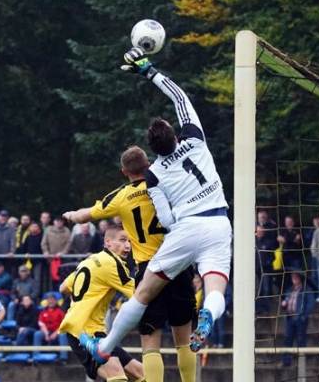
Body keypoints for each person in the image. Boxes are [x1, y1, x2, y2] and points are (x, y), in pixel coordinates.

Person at [78, 47, 232, 363]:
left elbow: (164, 217)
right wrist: (149, 70)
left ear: (152, 150)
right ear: (175, 134)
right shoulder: (195, 139)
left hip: (186, 228)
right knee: (216, 288)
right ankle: (207, 318)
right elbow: (180, 98)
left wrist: (180, 232)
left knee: (143, 294)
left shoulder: (154, 173)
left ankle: (105, 348)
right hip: (219, 223)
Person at [63, 145, 197, 382]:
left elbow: (85, 215)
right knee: (184, 341)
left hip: (150, 271)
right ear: (148, 165)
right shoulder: (167, 184)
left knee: (150, 342)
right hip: (180, 263)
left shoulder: (121, 196)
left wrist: (71, 215)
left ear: (125, 172)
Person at [58, 224, 145, 382]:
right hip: (85, 334)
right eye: (122, 240)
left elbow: (63, 288)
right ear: (108, 242)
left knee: (141, 373)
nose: (127, 246)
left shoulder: (90, 260)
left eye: (130, 241)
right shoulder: (113, 264)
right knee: (117, 376)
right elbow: (139, 295)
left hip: (89, 331)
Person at [278, 270, 316, 368]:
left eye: (295, 277)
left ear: (300, 278)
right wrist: (284, 305)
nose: (293, 279)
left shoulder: (307, 290)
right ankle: (286, 362)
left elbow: (310, 305)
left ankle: (301, 363)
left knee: (301, 340)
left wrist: (303, 316)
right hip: (289, 318)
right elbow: (286, 301)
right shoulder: (289, 289)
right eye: (292, 277)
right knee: (287, 340)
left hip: (300, 319)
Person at [33, 293, 68, 365]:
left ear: (56, 301)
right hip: (47, 331)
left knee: (63, 334)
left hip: (58, 331)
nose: (50, 301)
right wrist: (46, 334)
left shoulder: (60, 311)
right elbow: (41, 323)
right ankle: (35, 357)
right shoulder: (43, 312)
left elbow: (64, 324)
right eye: (49, 300)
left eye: (52, 300)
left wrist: (55, 333)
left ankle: (63, 358)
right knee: (37, 334)